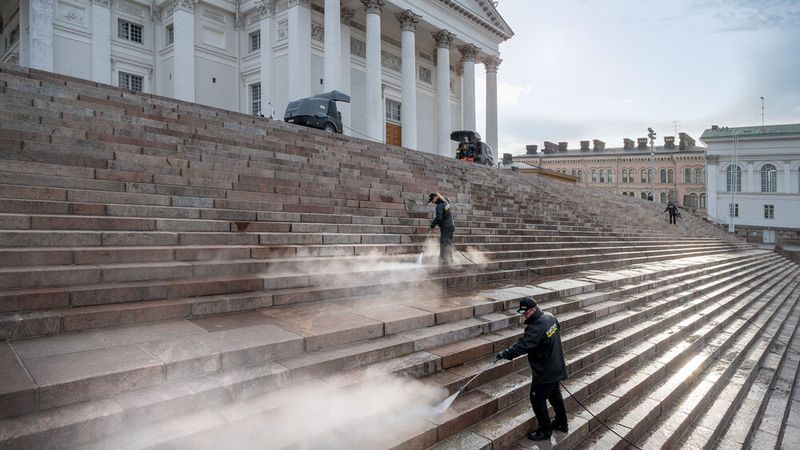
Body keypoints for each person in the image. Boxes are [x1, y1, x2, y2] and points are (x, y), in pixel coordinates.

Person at [497, 297, 568, 441]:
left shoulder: (536, 326)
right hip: (556, 364)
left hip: (545, 370)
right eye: (523, 313)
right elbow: (556, 330)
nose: (524, 315)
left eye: (526, 312)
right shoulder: (550, 317)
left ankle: (545, 431)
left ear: (534, 309)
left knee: (537, 399)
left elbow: (523, 345)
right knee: (555, 396)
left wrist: (504, 354)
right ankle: (561, 423)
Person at [428, 192, 455, 266]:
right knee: (448, 244)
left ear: (435, 198)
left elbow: (439, 218)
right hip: (451, 226)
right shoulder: (446, 202)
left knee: (444, 244)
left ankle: (443, 262)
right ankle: (449, 261)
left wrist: (432, 225)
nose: (432, 202)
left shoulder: (439, 206)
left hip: (446, 227)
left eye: (432, 200)